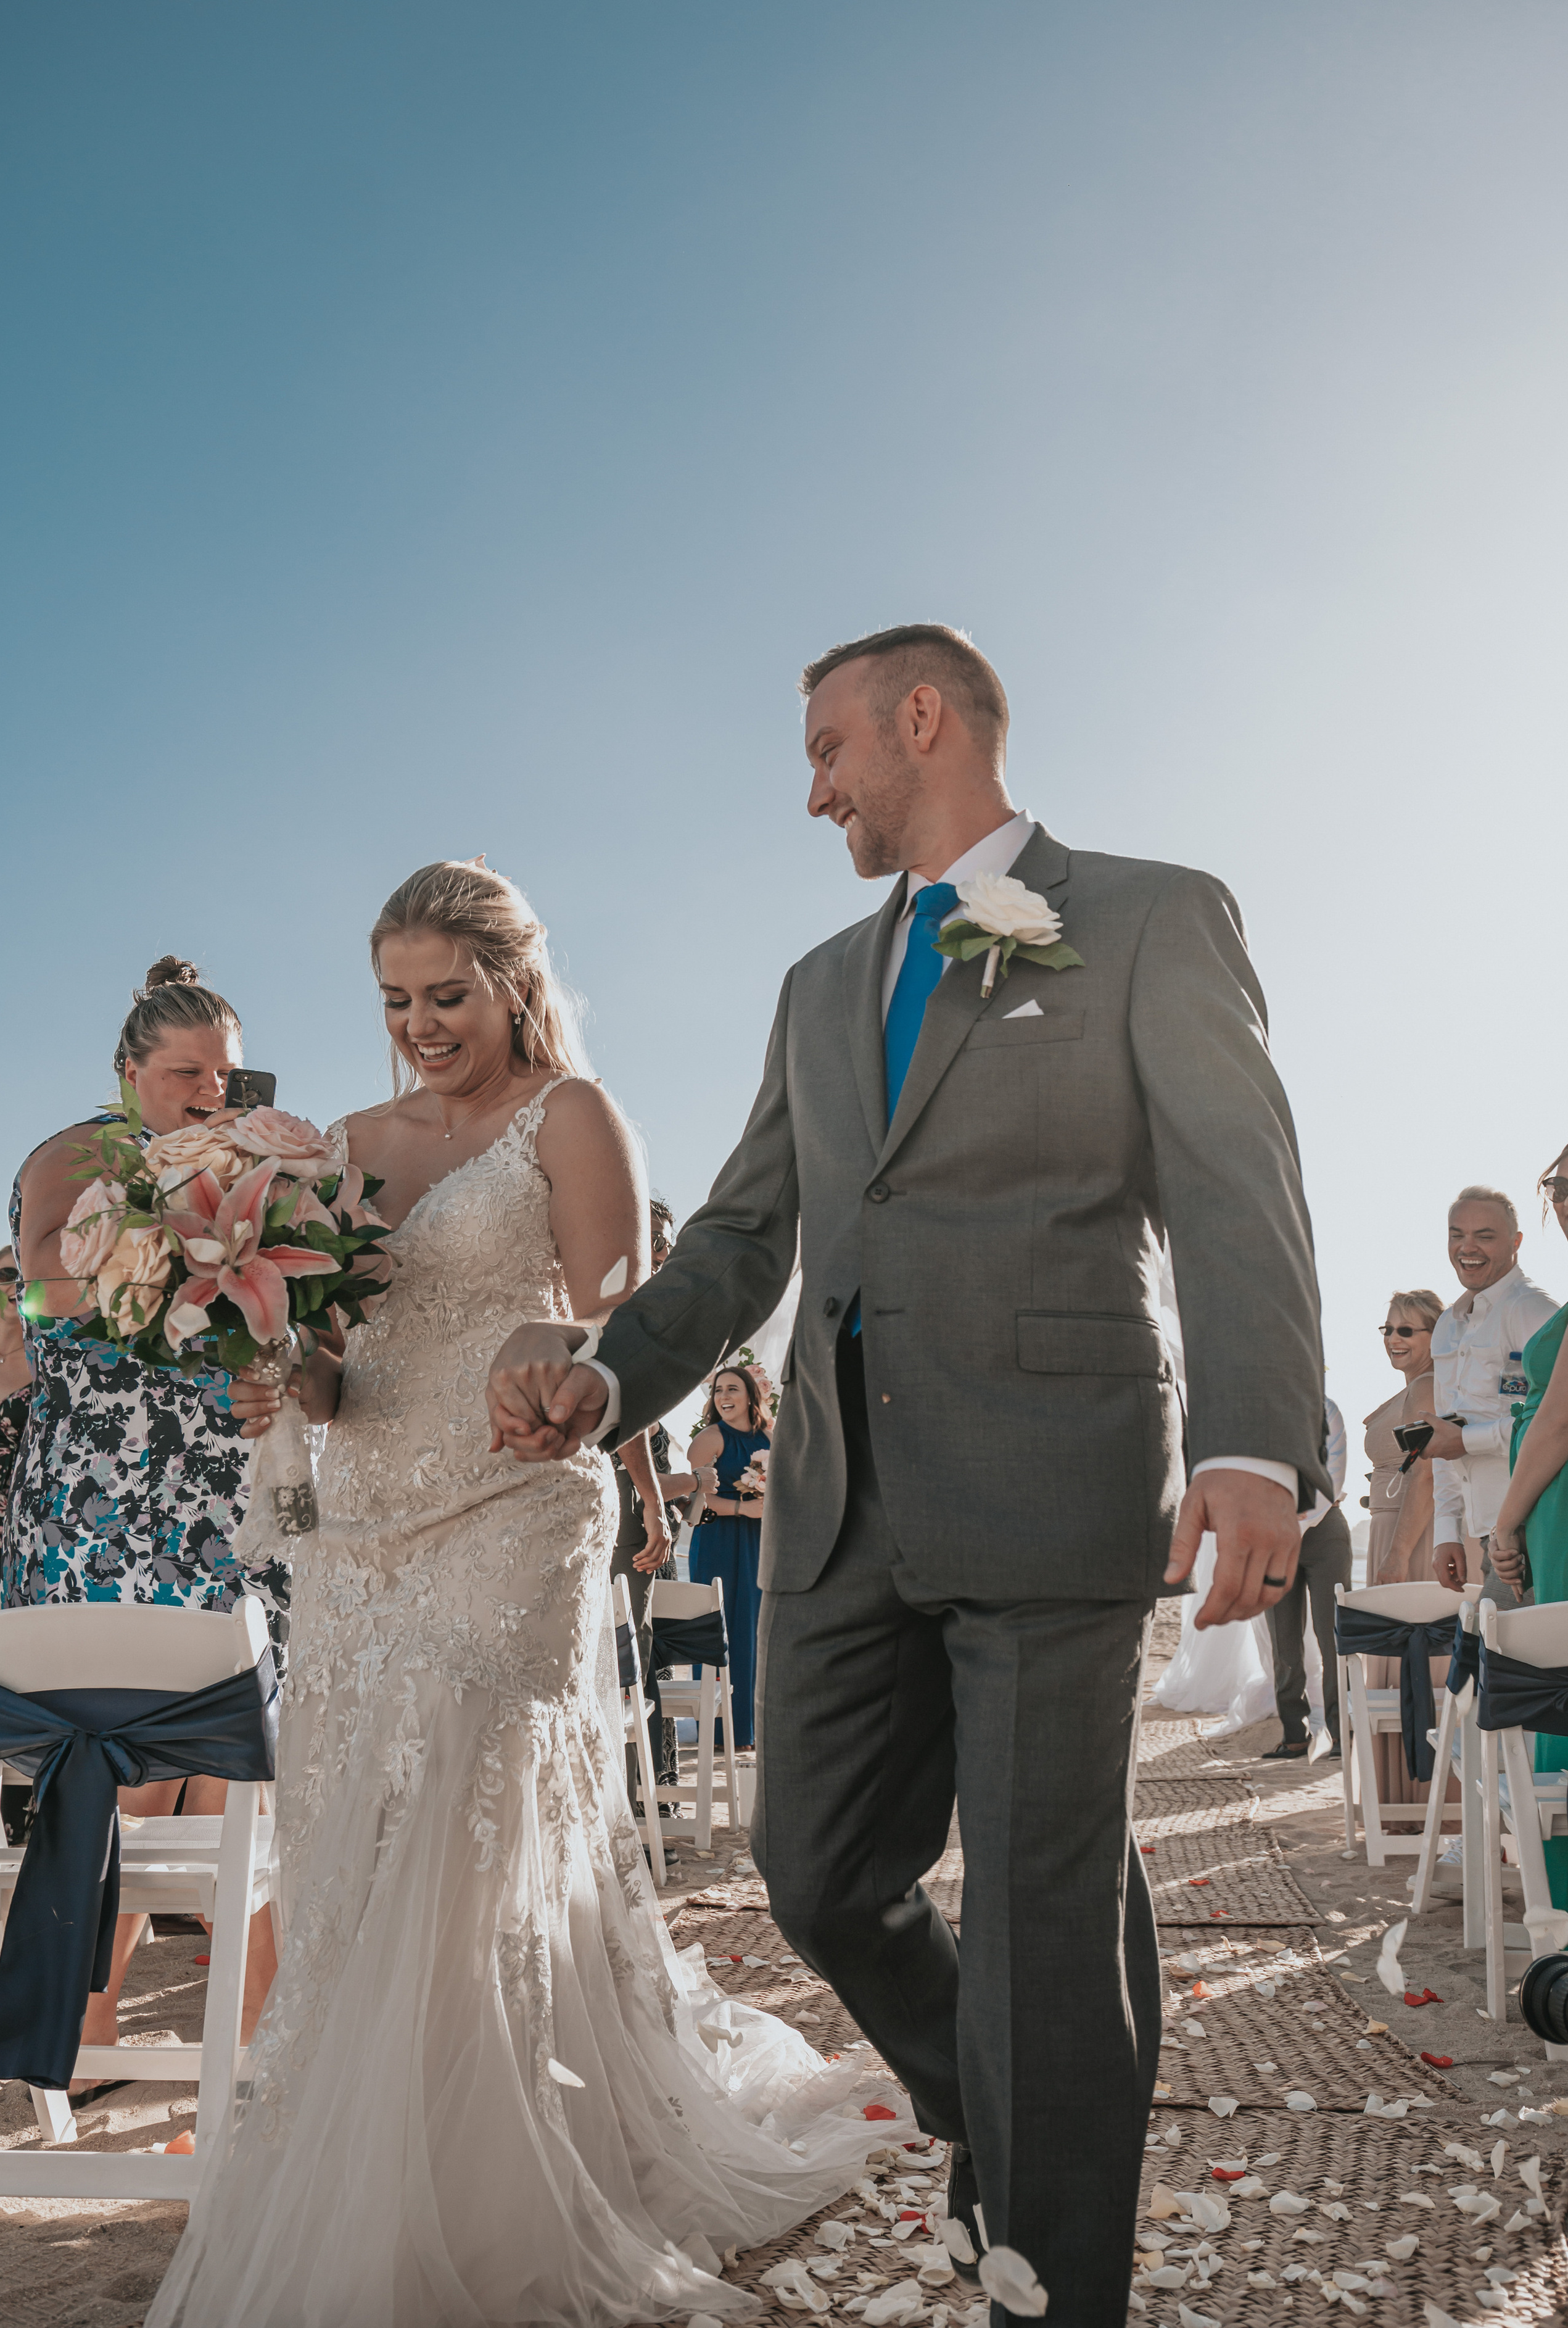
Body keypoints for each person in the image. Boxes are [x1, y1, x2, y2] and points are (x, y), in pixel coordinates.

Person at [485, 623, 1331, 2324]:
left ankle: (1049, 2275)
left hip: (1054, 1475)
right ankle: (1000, 2110)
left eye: (827, 750)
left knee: (1036, 1908)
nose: (813, 793)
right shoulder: (816, 986)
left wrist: (1255, 1444)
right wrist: (611, 1370)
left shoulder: (1151, 915)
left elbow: (1234, 1189)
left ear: (920, 717)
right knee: (813, 1868)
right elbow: (740, 1237)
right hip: (838, 1499)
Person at [151, 861, 907, 2328]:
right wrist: (276, 1366)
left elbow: (622, 1307)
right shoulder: (343, 1147)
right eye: (395, 1000)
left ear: (512, 981)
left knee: (469, 1826)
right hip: (360, 1530)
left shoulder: (571, 1116)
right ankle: (373, 2174)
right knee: (358, 1842)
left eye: (448, 994)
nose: (420, 1024)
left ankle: (504, 2182)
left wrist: (558, 1352)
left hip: (517, 1506)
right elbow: (334, 1367)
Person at [4, 958, 282, 2071]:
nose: (212, 1091)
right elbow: (42, 1285)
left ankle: (254, 2033)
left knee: (236, 1761)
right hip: (104, 1506)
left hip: (220, 1500)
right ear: (128, 1071)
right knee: (130, 1761)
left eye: (225, 1071)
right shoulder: (75, 1155)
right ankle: (93, 2015)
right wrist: (190, 1248)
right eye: (186, 1072)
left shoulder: (244, 1166)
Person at [1487, 1150, 1568, 1903]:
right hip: (1551, 1511)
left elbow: (1557, 1423)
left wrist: (1505, 1526)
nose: (1565, 1199)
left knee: (1557, 1668)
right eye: (1557, 1185)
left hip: (1556, 1510)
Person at [1426, 1186, 1558, 1607]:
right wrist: (1447, 1531)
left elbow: (1553, 1421)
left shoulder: (1533, 1310)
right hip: (1488, 1535)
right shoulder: (1448, 1324)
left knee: (1503, 1650)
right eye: (1457, 1234)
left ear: (1516, 1242)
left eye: (1485, 1236)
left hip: (1536, 1528)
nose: (1468, 1247)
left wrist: (1464, 1440)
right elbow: (1443, 1435)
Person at [611, 1195, 680, 1823]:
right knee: (623, 1653)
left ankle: (641, 1799)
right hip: (616, 1506)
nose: (660, 1252)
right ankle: (627, 1810)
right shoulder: (617, 1301)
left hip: (626, 1506)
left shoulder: (654, 1309)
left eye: (664, 1243)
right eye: (653, 1238)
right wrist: (655, 1501)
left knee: (635, 1652)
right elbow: (624, 1406)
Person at [1361, 1290, 1443, 1806]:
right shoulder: (1414, 1387)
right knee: (1403, 1667)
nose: (1394, 1338)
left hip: (1410, 1539)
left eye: (1407, 1330)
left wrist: (1398, 1553)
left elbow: (1428, 1474)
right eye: (1388, 1329)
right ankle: (1406, 1804)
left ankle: (1425, 1803)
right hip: (1391, 1530)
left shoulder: (1428, 1386)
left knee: (1418, 1667)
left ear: (1437, 1335)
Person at [682, 1362, 772, 1754]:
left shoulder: (770, 1436)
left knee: (753, 1626)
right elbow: (694, 1498)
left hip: (759, 1541)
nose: (723, 1397)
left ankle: (750, 1728)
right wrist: (741, 1509)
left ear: (752, 1395)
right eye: (718, 1390)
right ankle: (718, 1731)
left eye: (733, 1389)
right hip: (718, 1539)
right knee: (718, 1627)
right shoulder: (709, 1439)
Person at [1263, 1394, 1350, 1760]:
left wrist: (1292, 1527)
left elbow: (1332, 1478)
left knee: (1334, 1636)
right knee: (1283, 1641)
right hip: (1271, 1535)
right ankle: (1294, 1735)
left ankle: (1342, 1734)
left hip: (1324, 1533)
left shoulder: (1326, 1409)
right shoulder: (1252, 1412)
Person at [0, 1245, 31, 1593]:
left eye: (26, 1277)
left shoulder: (45, 1363)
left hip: (10, 1522)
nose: (17, 1284)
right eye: (7, 1275)